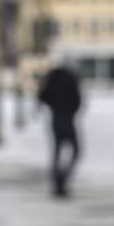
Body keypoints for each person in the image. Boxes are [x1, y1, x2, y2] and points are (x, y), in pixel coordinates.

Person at [38, 57, 82, 197]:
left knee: (57, 152)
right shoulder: (70, 79)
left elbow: (42, 97)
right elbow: (77, 100)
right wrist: (70, 111)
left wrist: (54, 106)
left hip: (56, 118)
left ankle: (58, 181)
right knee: (75, 150)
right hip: (67, 119)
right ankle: (62, 179)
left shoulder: (52, 79)